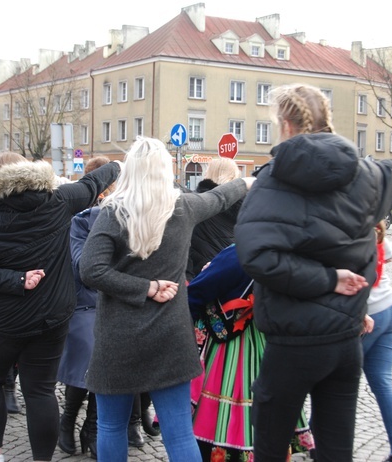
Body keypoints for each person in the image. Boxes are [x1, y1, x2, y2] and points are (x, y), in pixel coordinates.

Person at [234, 84, 392, 462]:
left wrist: (328, 279)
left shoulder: (274, 179)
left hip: (294, 344)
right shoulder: (364, 174)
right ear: (327, 119)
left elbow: (259, 257)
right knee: (336, 449)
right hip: (346, 341)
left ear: (285, 125)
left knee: (269, 445)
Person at [79, 137, 254, 462]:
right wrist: (246, 181)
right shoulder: (184, 207)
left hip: (118, 337)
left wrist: (141, 288)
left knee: (112, 427)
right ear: (165, 171)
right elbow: (219, 196)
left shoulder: (112, 213)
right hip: (170, 335)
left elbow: (90, 270)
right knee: (178, 431)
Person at [0, 151, 120, 462]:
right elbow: (93, 182)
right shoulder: (59, 201)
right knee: (40, 392)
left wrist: (15, 281)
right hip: (51, 318)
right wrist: (119, 165)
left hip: (1, 321)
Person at [188, 244, 315, 461]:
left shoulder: (241, 252)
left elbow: (195, 293)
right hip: (268, 341)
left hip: (230, 342)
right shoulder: (296, 255)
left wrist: (205, 274)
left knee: (224, 396)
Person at [57, 156, 111, 459]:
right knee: (88, 351)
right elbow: (81, 267)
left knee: (110, 361)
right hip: (83, 302)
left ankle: (91, 428)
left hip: (112, 302)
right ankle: (67, 421)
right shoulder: (80, 218)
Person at [361, 221, 392, 462]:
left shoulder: (350, 233)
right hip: (391, 307)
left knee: (334, 382)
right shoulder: (375, 231)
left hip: (367, 316)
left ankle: (315, 439)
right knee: (383, 381)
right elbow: (387, 258)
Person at [186, 157, 242, 282]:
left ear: (211, 173)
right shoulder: (247, 205)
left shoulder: (200, 203)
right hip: (236, 268)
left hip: (204, 272)